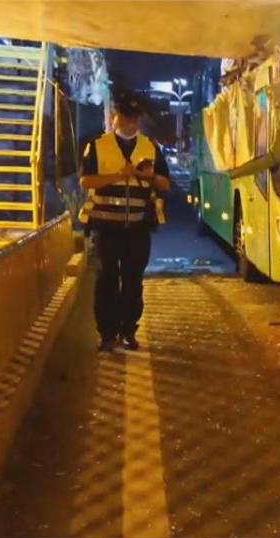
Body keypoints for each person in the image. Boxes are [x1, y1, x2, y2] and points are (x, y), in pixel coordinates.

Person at [79, 89, 170, 352]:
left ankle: (128, 331)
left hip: (138, 228)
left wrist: (150, 176)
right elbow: (86, 180)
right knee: (106, 280)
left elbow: (165, 184)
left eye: (136, 119)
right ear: (115, 116)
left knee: (132, 281)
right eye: (127, 117)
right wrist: (120, 175)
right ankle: (107, 334)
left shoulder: (150, 147)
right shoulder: (97, 146)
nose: (132, 123)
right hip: (105, 228)